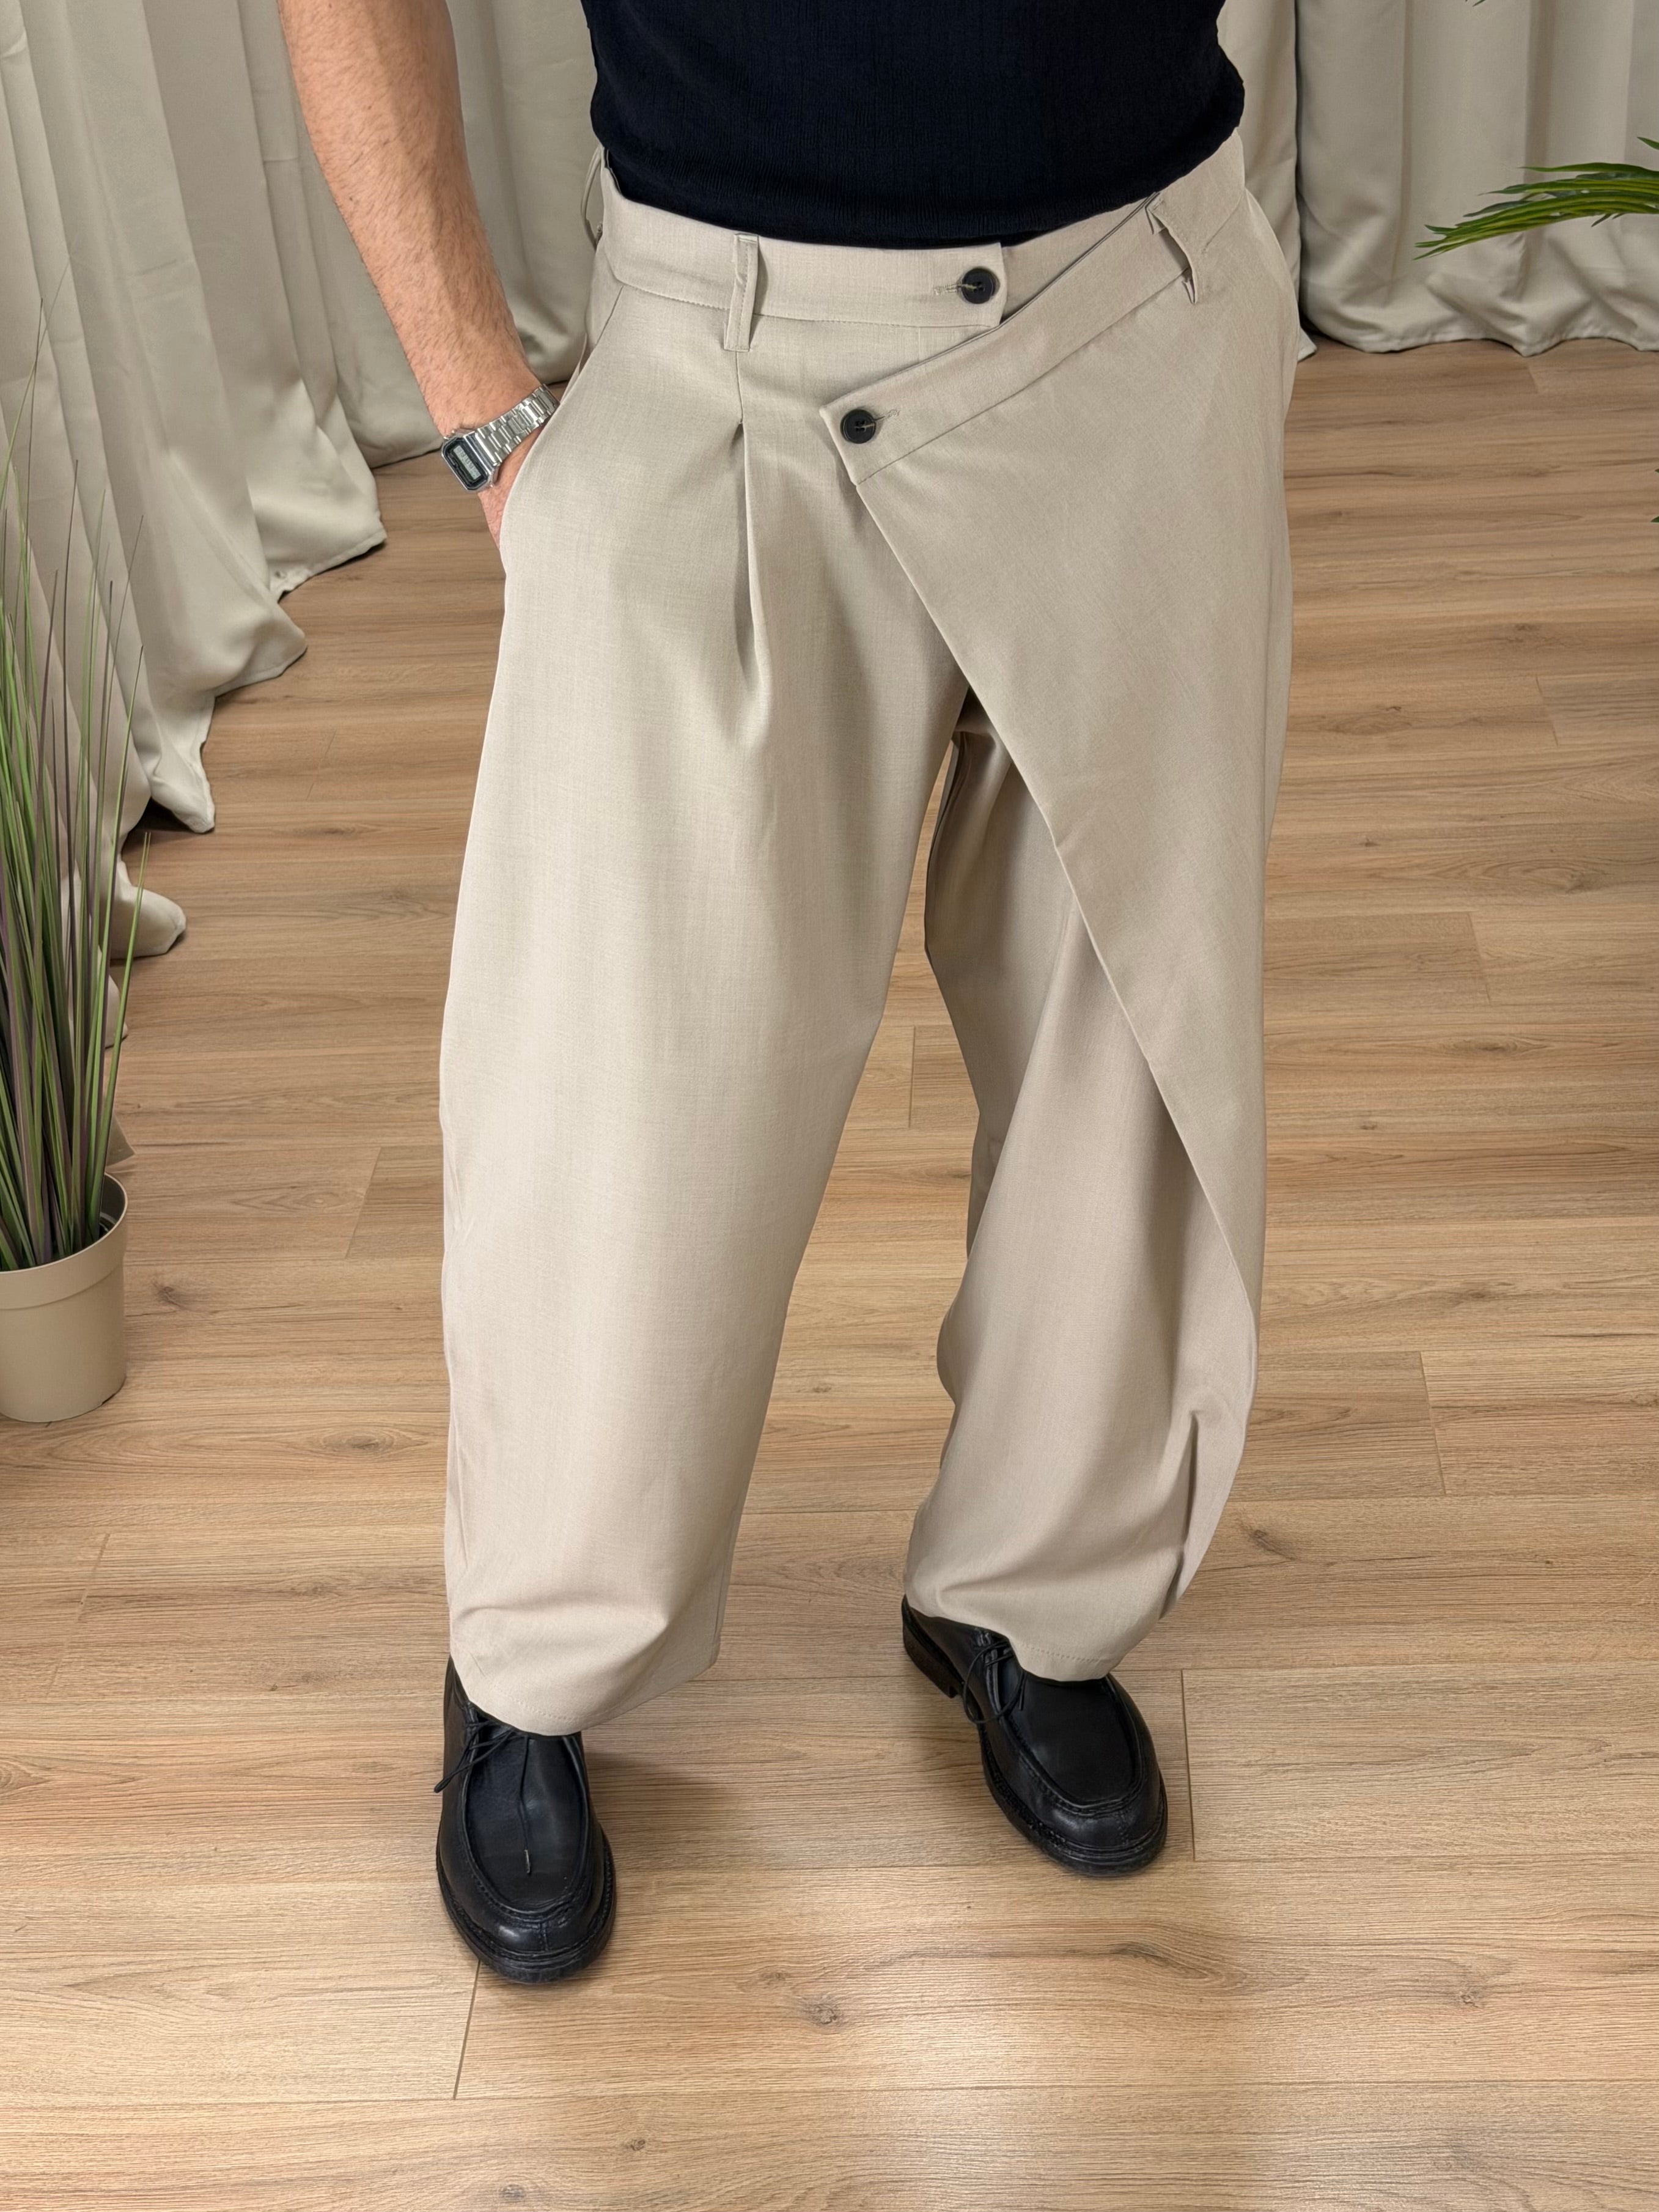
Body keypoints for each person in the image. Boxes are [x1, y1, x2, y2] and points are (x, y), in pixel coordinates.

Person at [279, 0, 1298, 1983]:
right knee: (625, 1079)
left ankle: (1032, 1595)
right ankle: (533, 1652)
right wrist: (485, 415)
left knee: (1124, 1034)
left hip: (1138, 299)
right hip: (724, 345)